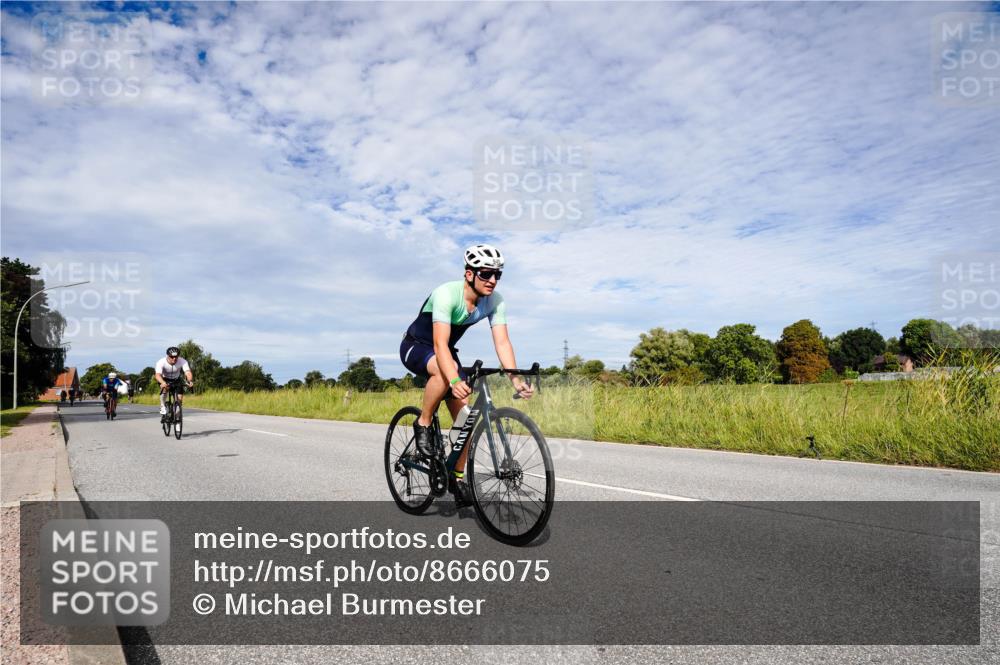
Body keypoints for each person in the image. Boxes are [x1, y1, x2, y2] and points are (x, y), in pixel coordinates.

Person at [399, 244, 534, 507]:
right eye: (486, 273)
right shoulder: (446, 294)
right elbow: (439, 345)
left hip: (446, 350)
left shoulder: (495, 301)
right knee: (442, 371)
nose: (492, 280)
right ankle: (424, 422)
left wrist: (515, 379)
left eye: (497, 275)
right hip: (417, 346)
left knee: (465, 420)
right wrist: (454, 379)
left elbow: (503, 343)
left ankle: (456, 477)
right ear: (469, 274)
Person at [155, 346, 194, 418]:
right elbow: (157, 375)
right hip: (164, 379)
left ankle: (177, 417)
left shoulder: (182, 361)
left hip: (176, 379)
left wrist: (190, 380)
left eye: (176, 356)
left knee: (179, 400)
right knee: (165, 388)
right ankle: (162, 405)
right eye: (172, 357)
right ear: (168, 356)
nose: (174, 358)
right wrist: (163, 382)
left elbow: (188, 372)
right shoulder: (161, 362)